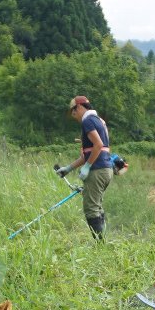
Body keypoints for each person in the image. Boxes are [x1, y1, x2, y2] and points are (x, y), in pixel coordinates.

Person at [56, 96, 114, 239]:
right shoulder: (99, 121)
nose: (74, 116)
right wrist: (68, 168)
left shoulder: (87, 121)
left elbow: (98, 145)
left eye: (74, 112)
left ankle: (100, 246)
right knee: (97, 207)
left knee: (91, 210)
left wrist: (88, 166)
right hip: (106, 170)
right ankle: (103, 242)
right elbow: (87, 154)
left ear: (80, 107)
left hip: (97, 170)